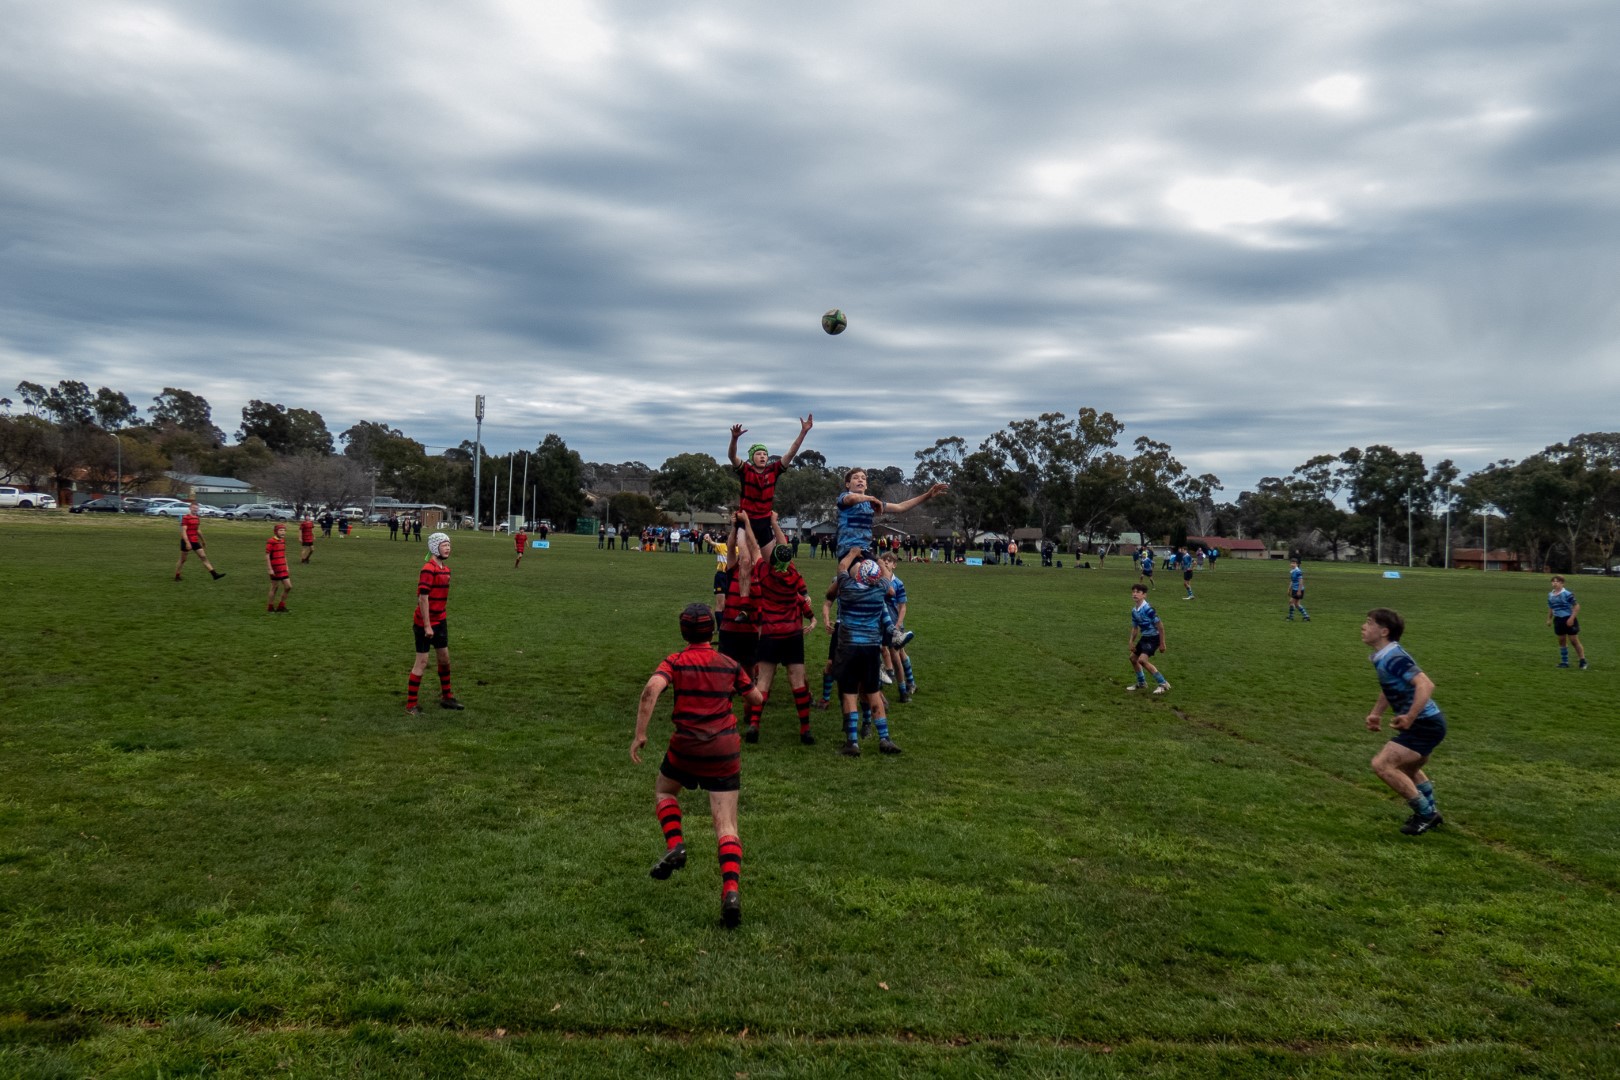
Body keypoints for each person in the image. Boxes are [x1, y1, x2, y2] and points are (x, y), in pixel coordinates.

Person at [630, 603, 763, 928]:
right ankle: (731, 892)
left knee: (664, 792)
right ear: (712, 631)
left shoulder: (675, 661)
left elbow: (651, 689)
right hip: (723, 749)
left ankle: (675, 844)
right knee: (726, 824)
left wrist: (641, 734)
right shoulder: (728, 663)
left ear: (683, 632)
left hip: (686, 746)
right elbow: (756, 699)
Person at [1361, 608, 1445, 834]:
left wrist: (1410, 716)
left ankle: (1426, 814)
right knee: (1408, 768)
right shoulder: (1384, 656)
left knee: (1382, 765)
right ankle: (1431, 812)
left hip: (1425, 724)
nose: (1363, 627)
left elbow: (1426, 684)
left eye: (1369, 623)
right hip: (1427, 723)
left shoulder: (1394, 657)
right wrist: (1376, 713)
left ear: (1384, 631)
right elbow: (1389, 687)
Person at [744, 513, 818, 745]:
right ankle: (805, 729)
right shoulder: (793, 575)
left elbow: (755, 548)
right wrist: (775, 523)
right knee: (797, 682)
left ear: (773, 560)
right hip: (793, 635)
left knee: (764, 681)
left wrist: (748, 524)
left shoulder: (765, 573)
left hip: (770, 634)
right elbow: (784, 548)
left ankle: (754, 725)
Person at [823, 549, 901, 756]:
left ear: (858, 575)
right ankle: (884, 738)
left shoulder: (847, 588)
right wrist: (876, 559)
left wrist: (853, 553)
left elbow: (842, 568)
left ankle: (852, 743)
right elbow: (886, 576)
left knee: (850, 694)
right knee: (873, 692)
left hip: (848, 648)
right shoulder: (880, 590)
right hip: (871, 649)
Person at [728, 415, 814, 547]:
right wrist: (734, 439)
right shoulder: (745, 470)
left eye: (765, 454)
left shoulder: (773, 470)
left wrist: (803, 432)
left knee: (770, 557)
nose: (762, 456)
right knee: (745, 557)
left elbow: (791, 453)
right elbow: (732, 456)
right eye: (758, 454)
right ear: (752, 458)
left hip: (764, 520)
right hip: (746, 518)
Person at [406, 532, 463, 715]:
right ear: (434, 547)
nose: (448, 548)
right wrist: (427, 625)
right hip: (424, 623)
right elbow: (423, 599)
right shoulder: (428, 569)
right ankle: (411, 705)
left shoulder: (446, 570)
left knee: (444, 659)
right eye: (444, 545)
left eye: (449, 545)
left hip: (440, 621)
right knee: (422, 662)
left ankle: (447, 697)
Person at [713, 512, 760, 677]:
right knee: (725, 667)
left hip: (750, 630)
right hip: (729, 628)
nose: (742, 557)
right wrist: (734, 527)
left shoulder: (760, 573)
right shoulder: (733, 570)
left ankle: (749, 686)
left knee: (749, 668)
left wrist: (747, 524)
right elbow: (731, 546)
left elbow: (755, 549)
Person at [879, 551, 917, 702]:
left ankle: (906, 686)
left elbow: (902, 607)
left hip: (894, 622)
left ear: (894, 565)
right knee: (880, 651)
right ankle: (881, 684)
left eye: (889, 560)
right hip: (879, 623)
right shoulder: (877, 580)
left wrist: (898, 624)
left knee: (898, 654)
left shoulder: (898, 583)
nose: (885, 562)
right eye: (883, 560)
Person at [1126, 584, 1170, 694]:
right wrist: (1131, 641)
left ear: (1144, 595)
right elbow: (1135, 628)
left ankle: (1163, 684)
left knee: (1142, 660)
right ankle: (1142, 683)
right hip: (1145, 637)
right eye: (1133, 591)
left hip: (1154, 638)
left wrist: (1162, 643)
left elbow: (1160, 626)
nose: (1135, 594)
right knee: (1133, 658)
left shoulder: (1148, 609)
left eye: (1138, 592)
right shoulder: (1134, 610)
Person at [174, 501, 225, 581]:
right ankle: (177, 575)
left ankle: (214, 575)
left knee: (203, 557)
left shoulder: (197, 518)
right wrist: (187, 543)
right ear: (190, 508)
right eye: (193, 508)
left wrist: (203, 540)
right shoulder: (186, 518)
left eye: (196, 508)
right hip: (186, 541)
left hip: (194, 540)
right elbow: (183, 531)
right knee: (183, 559)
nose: (195, 509)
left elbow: (198, 530)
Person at [1546, 575, 1588, 669]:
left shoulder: (1567, 594)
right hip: (1558, 620)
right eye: (1553, 581)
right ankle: (1564, 662)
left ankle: (1583, 661)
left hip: (1568, 619)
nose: (1555, 583)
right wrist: (1549, 619)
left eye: (1557, 581)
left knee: (1574, 641)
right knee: (1561, 641)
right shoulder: (1550, 595)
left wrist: (1571, 618)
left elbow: (1576, 606)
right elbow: (1551, 607)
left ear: (1562, 583)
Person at [264, 522, 292, 613]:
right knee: (274, 587)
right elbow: (267, 555)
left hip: (282, 568)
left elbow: (283, 554)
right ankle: (270, 607)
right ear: (276, 531)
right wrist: (270, 569)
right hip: (275, 568)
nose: (283, 532)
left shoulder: (283, 541)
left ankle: (281, 606)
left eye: (284, 530)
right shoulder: (271, 541)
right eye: (280, 530)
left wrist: (286, 566)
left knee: (288, 587)